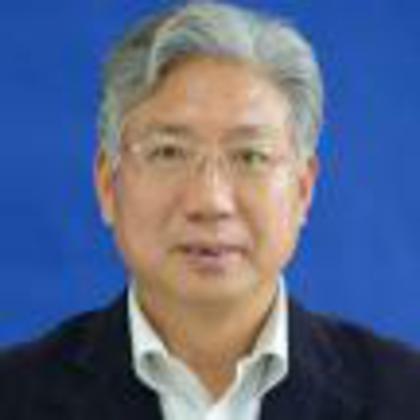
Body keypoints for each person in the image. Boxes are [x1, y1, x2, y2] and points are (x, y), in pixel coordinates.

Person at [1, 2, 419, 419]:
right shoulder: (15, 394)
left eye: (250, 156)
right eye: (169, 152)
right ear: (108, 184)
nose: (210, 201)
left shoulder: (403, 394)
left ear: (303, 189)